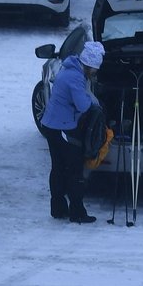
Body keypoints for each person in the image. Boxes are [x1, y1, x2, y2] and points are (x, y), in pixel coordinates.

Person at [40, 40, 104, 224]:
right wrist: (94, 102)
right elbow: (83, 105)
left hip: (53, 125)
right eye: (95, 69)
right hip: (63, 128)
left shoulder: (70, 69)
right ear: (89, 65)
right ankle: (77, 212)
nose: (95, 73)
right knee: (74, 170)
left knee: (58, 167)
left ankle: (58, 208)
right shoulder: (75, 78)